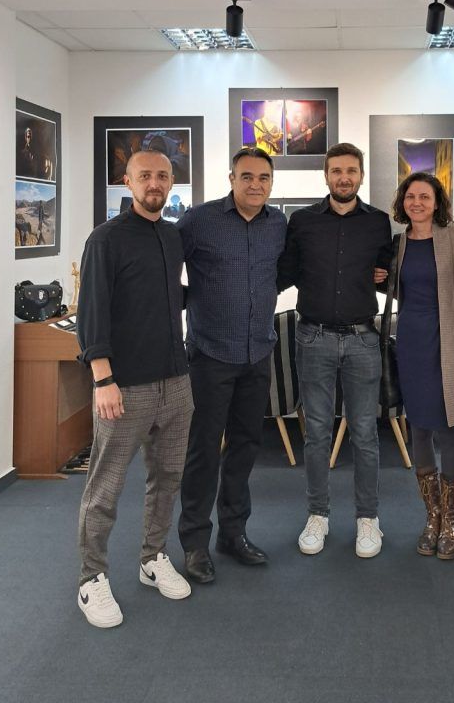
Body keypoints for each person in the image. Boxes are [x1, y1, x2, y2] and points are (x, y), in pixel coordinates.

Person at [76, 150, 194, 628]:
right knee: (105, 487)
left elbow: (169, 299)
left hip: (176, 380)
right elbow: (92, 311)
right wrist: (103, 378)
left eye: (162, 176)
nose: (155, 183)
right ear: (128, 181)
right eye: (145, 175)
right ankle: (91, 579)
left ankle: (152, 558)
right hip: (123, 386)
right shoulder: (105, 240)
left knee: (166, 479)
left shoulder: (171, 236)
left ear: (170, 183)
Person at [278, 143, 393, 558]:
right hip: (314, 337)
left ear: (361, 175)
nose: (344, 177)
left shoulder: (379, 222)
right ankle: (318, 515)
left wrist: (386, 276)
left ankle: (368, 519)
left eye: (351, 171)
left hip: (363, 338)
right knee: (317, 435)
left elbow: (385, 277)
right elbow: (284, 272)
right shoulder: (302, 221)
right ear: (325, 176)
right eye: (336, 171)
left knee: (365, 434)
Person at [178, 148, 287, 584]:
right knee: (203, 450)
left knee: (244, 447)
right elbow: (166, 268)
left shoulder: (278, 225)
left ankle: (233, 533)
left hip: (257, 352)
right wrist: (188, 303)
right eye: (247, 177)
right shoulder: (199, 221)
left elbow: (283, 273)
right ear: (231, 178)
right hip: (209, 354)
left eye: (263, 178)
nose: (255, 184)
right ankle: (194, 543)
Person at [390, 172, 454, 560]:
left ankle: (452, 520)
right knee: (419, 429)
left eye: (424, 196)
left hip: (449, 344)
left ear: (437, 201)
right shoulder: (399, 243)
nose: (417, 202)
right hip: (411, 342)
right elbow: (397, 286)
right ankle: (432, 517)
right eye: (410, 197)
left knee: (447, 430)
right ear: (403, 203)